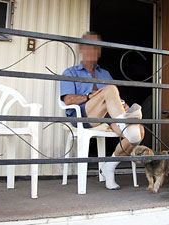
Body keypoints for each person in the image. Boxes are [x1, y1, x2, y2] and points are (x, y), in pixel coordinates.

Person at [60, 32, 145, 190]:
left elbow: (114, 99)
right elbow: (68, 100)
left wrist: (124, 105)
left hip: (108, 115)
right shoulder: (70, 72)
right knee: (110, 89)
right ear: (82, 49)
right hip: (84, 115)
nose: (93, 50)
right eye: (89, 46)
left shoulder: (104, 73)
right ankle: (126, 120)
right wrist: (89, 96)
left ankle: (109, 167)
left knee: (138, 132)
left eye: (96, 47)